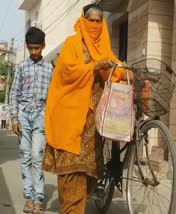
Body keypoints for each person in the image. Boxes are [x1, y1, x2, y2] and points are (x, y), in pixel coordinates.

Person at [42, 4, 133, 213]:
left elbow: (116, 69)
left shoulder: (104, 48)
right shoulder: (72, 44)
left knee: (90, 173)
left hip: (92, 123)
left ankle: (78, 207)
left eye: (98, 20)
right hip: (70, 117)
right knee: (71, 171)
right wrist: (93, 66)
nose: (94, 24)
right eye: (91, 20)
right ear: (83, 20)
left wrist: (129, 74)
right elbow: (67, 71)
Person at [9, 27, 53, 214]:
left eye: (37, 48)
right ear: (27, 47)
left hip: (41, 115)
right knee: (25, 156)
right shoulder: (21, 67)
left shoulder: (50, 68)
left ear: (43, 46)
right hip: (23, 116)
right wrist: (14, 118)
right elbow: (14, 94)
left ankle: (39, 199)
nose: (34, 52)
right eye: (31, 48)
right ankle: (29, 197)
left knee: (37, 155)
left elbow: (53, 97)